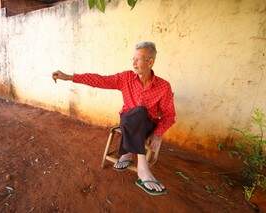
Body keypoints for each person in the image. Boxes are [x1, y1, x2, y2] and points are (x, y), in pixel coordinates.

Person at [52, 41, 176, 195]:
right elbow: (99, 80)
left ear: (150, 62)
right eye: (133, 59)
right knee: (136, 113)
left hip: (148, 124)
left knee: (142, 112)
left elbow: (169, 115)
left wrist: (157, 135)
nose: (133, 63)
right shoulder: (126, 78)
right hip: (128, 120)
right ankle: (142, 170)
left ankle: (127, 153)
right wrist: (69, 77)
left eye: (138, 59)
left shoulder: (163, 86)